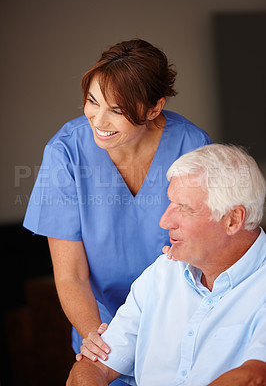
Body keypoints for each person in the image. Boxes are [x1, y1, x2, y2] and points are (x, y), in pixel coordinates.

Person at [23, 39, 211, 386]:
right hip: (103, 329)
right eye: (92, 102)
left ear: (155, 108)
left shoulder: (193, 148)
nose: (99, 119)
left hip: (180, 329)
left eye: (117, 110)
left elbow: (208, 257)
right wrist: (100, 339)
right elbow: (71, 276)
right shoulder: (66, 153)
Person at [67, 144, 266, 386]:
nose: (164, 221)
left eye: (184, 208)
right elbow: (92, 366)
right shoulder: (162, 272)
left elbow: (254, 376)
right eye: (170, 203)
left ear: (233, 220)